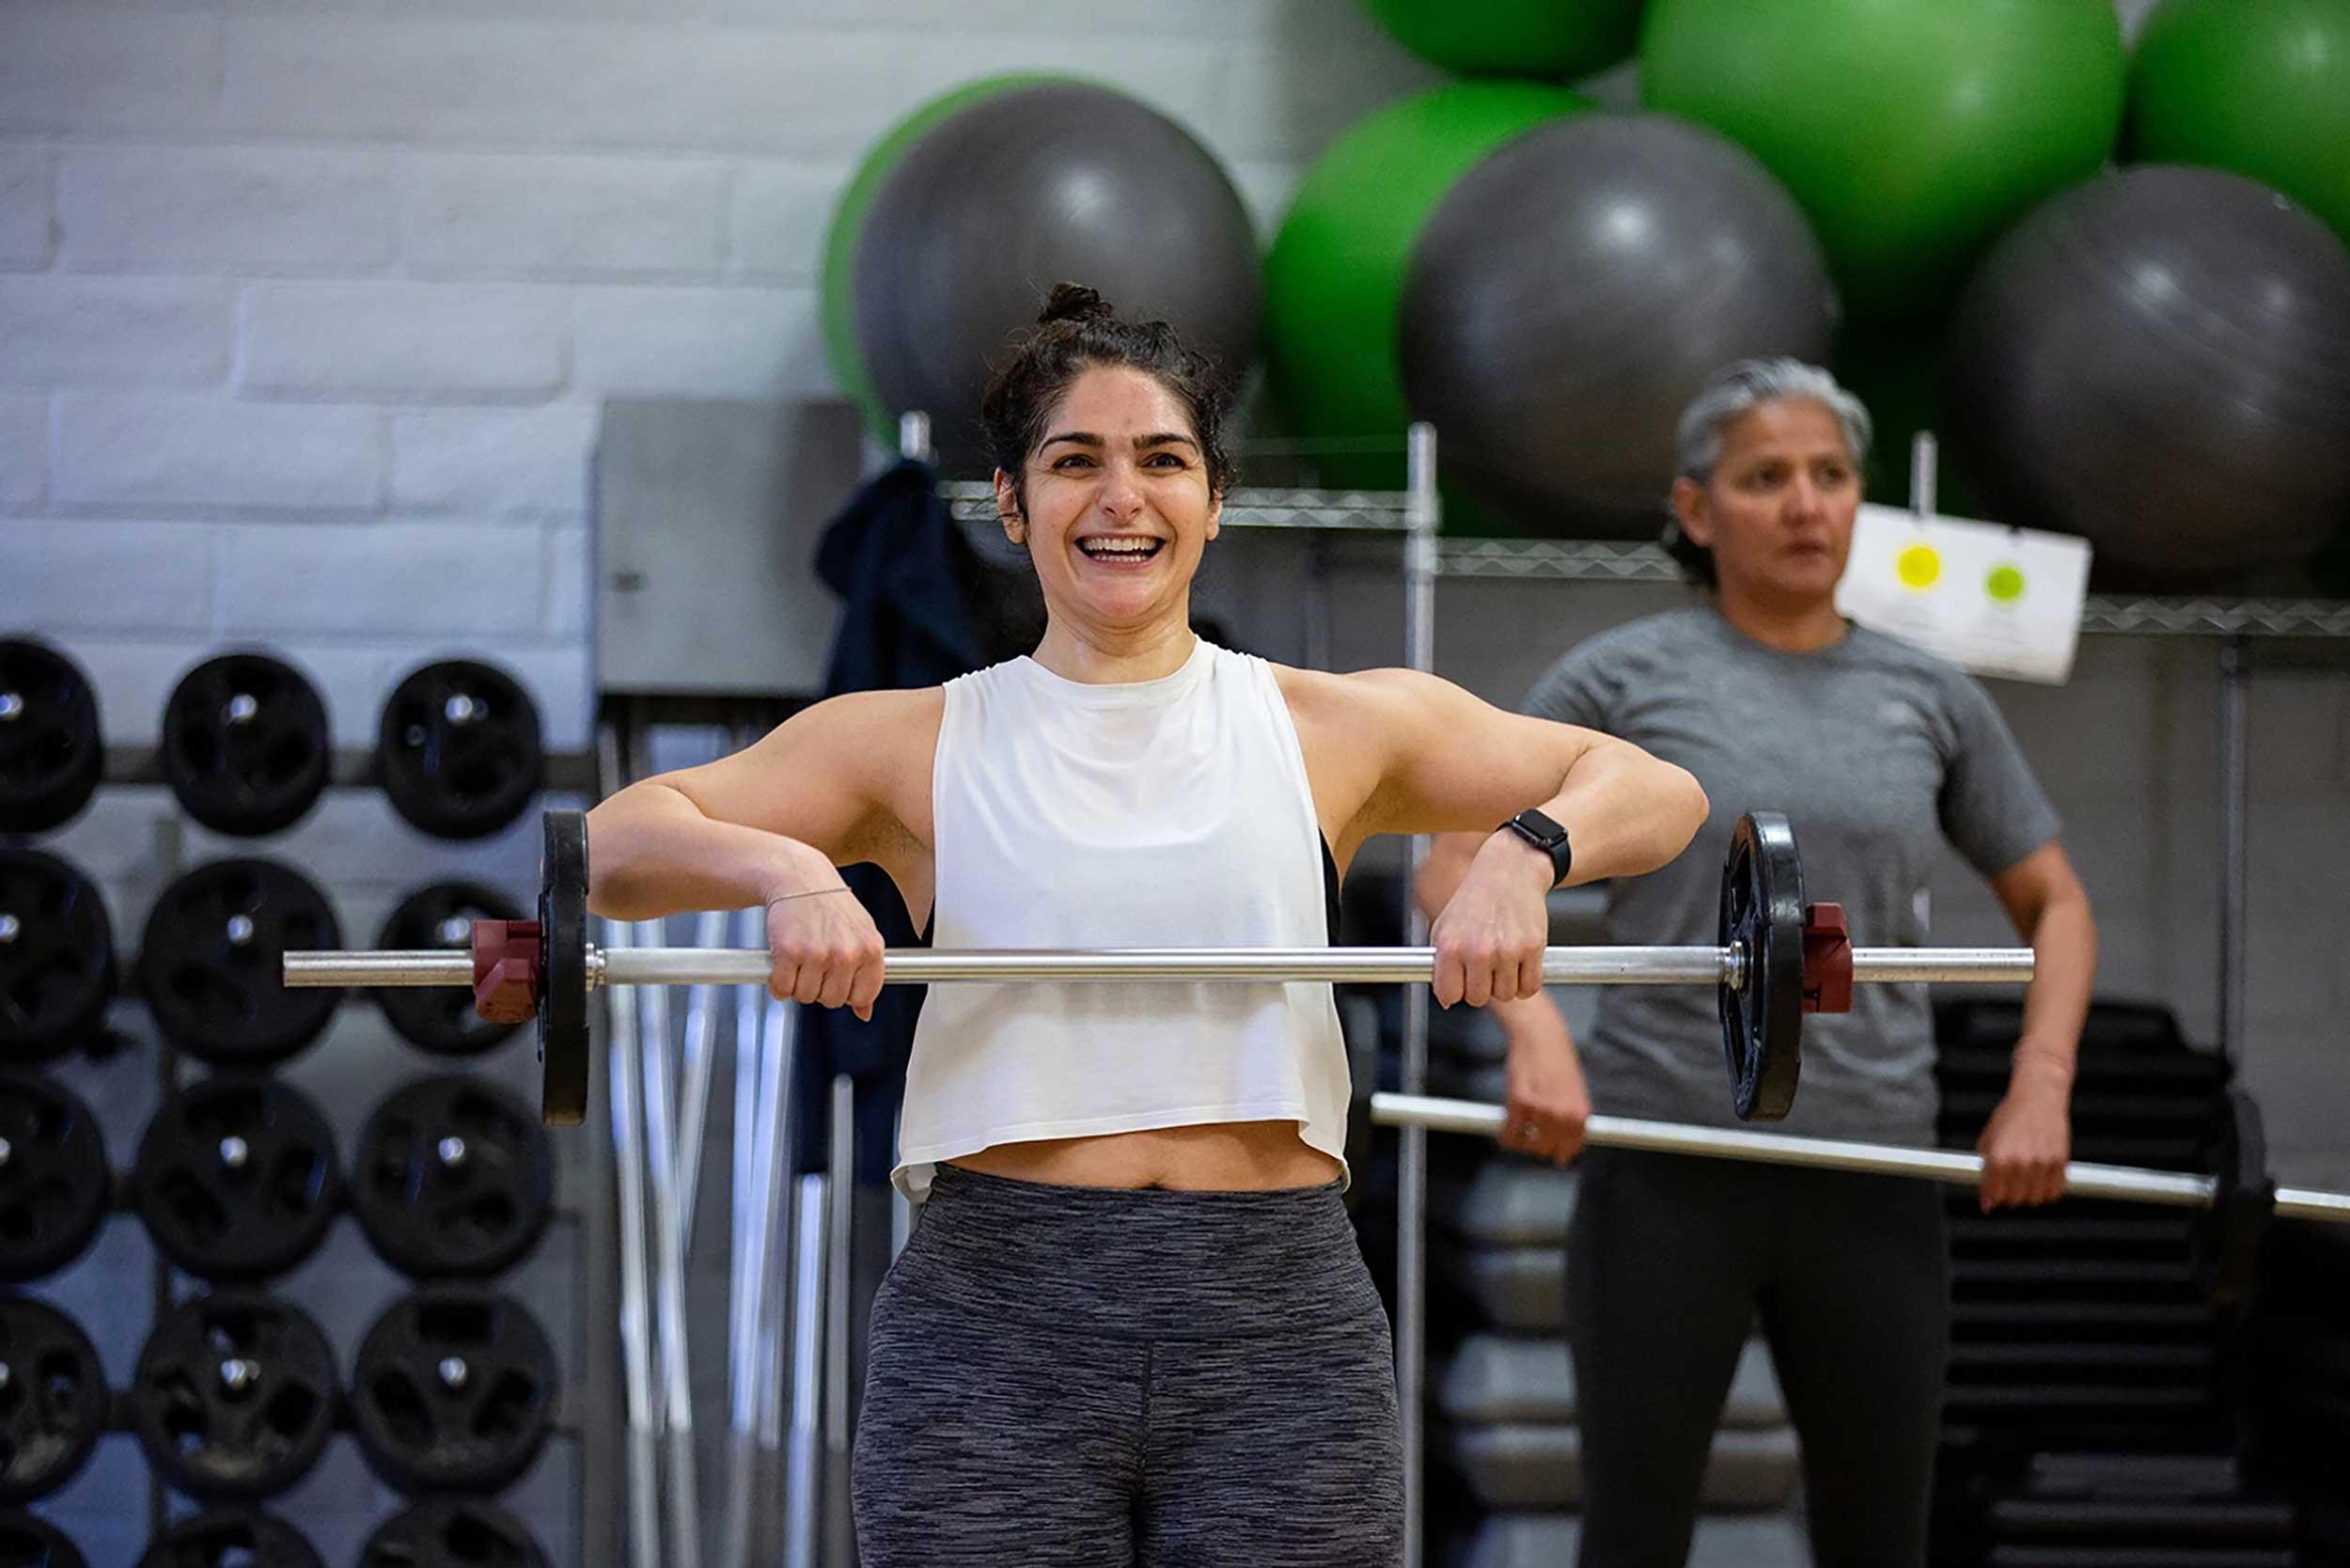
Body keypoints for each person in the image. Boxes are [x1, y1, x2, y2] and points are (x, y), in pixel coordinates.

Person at [581, 285, 1710, 1566]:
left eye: (1162, 460)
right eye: (1076, 462)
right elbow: (614, 849)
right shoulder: (912, 741)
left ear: (1213, 503)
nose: (1122, 495)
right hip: (996, 1316)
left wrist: (1527, 851)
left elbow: (1657, 790)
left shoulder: (1333, 728)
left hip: (1278, 1320)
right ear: (1012, 506)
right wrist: (783, 867)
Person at [1418, 358, 2099, 1568]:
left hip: (1870, 1166)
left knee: (1877, 1541)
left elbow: (2055, 902)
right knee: (1632, 1535)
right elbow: (1455, 863)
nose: (1804, 505)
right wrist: (1535, 1044)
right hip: (1667, 1163)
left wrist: (2039, 1085)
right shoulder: (1619, 680)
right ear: (1694, 510)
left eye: (1830, 477)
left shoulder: (1926, 694)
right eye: (1765, 477)